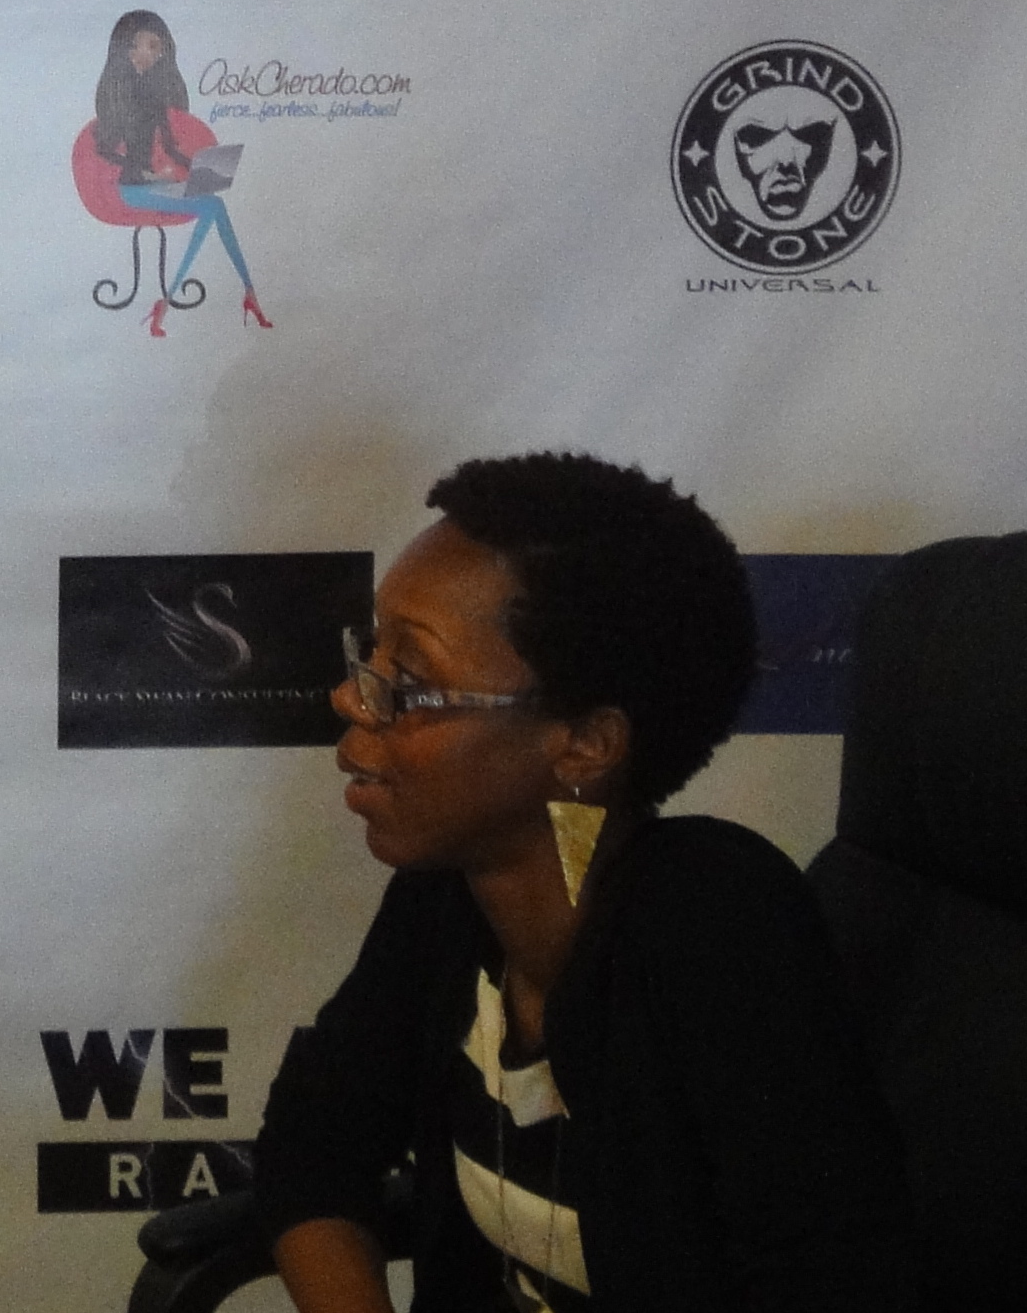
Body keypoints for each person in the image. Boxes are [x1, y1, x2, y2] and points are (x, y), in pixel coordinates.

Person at [254, 452, 909, 1312]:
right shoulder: (446, 897)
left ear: (583, 746)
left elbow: (827, 1278)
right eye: (368, 655)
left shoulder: (717, 926)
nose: (352, 698)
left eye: (407, 683)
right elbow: (312, 1148)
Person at [91, 9, 268, 329]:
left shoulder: (155, 98)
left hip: (153, 184)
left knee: (215, 204)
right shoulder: (119, 95)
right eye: (148, 45)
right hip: (132, 189)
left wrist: (201, 167)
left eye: (158, 49)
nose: (153, 54)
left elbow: (171, 149)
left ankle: (245, 292)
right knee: (212, 206)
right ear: (128, 47)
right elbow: (104, 150)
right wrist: (146, 174)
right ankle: (178, 298)